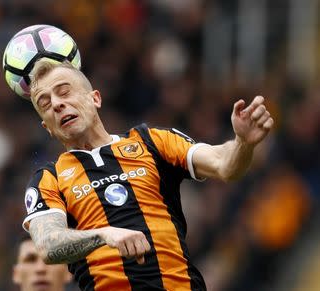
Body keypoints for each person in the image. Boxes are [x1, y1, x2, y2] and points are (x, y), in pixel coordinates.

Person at [21, 59, 274, 291]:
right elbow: (48, 244)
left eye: (64, 92)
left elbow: (225, 165)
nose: (56, 104)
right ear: (47, 128)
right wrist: (104, 234)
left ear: (95, 98)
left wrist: (243, 142)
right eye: (45, 104)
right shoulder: (48, 179)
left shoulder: (151, 142)